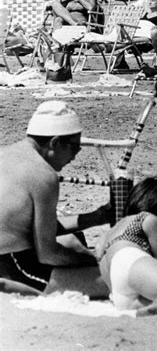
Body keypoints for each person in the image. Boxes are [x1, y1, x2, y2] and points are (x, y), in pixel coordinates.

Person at [0, 101, 110, 293]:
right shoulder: (43, 175)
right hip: (13, 266)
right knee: (116, 282)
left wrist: (96, 217)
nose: (76, 155)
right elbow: (48, 254)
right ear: (55, 142)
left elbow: (30, 228)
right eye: (75, 146)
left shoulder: (6, 154)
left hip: (9, 255)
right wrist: (91, 259)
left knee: (73, 242)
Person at [97, 177, 157, 314]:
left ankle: (151, 310)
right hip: (129, 260)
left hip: (120, 295)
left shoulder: (108, 234)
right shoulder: (148, 219)